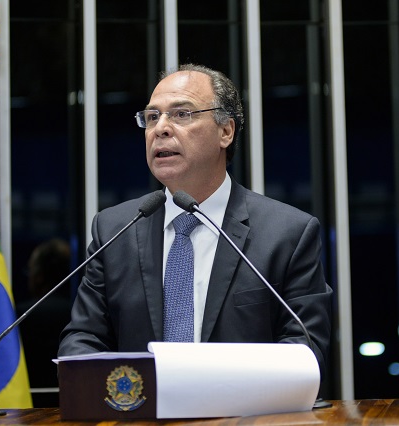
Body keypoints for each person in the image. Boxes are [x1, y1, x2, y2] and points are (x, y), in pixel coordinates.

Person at [58, 64, 333, 374]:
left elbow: (304, 348)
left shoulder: (287, 233)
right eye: (151, 117)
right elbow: (83, 338)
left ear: (225, 131)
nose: (160, 128)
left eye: (181, 114)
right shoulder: (114, 230)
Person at [17, 239, 72, 405]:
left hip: (27, 403)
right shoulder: (79, 312)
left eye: (30, 270)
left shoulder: (22, 315)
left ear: (39, 276)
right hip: (73, 400)